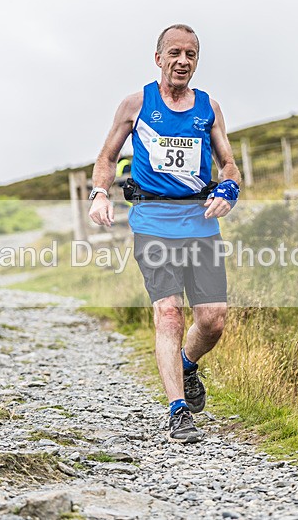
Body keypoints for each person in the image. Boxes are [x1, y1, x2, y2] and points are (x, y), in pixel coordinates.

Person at [88, 24, 241, 443]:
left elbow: (229, 163)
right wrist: (100, 193)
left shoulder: (209, 108)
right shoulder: (136, 104)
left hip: (201, 223)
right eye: (174, 53)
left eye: (190, 54)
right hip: (153, 223)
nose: (182, 61)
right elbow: (105, 156)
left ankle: (187, 364)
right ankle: (177, 411)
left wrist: (229, 186)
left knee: (212, 321)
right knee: (169, 313)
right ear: (158, 58)